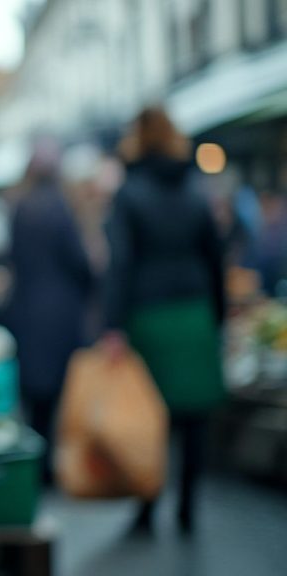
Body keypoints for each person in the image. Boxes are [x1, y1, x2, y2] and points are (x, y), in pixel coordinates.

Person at [103, 107, 226, 533]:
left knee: (149, 414)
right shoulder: (196, 189)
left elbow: (120, 265)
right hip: (194, 312)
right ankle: (188, 507)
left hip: (149, 314)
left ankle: (147, 507)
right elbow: (216, 257)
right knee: (194, 417)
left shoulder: (129, 192)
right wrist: (219, 315)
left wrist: (112, 325)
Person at [4, 139, 93, 482]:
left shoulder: (20, 206)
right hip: (59, 312)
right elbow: (79, 263)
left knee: (34, 393)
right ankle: (50, 466)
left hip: (26, 308)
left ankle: (37, 463)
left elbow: (11, 257)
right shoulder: (62, 208)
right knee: (56, 391)